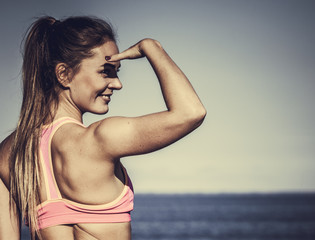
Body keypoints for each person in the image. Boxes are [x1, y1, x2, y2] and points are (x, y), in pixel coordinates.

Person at [0, 15, 206, 240]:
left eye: (117, 72)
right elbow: (191, 113)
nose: (117, 84)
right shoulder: (101, 138)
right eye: (105, 71)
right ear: (64, 74)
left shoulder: (8, 153)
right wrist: (152, 47)